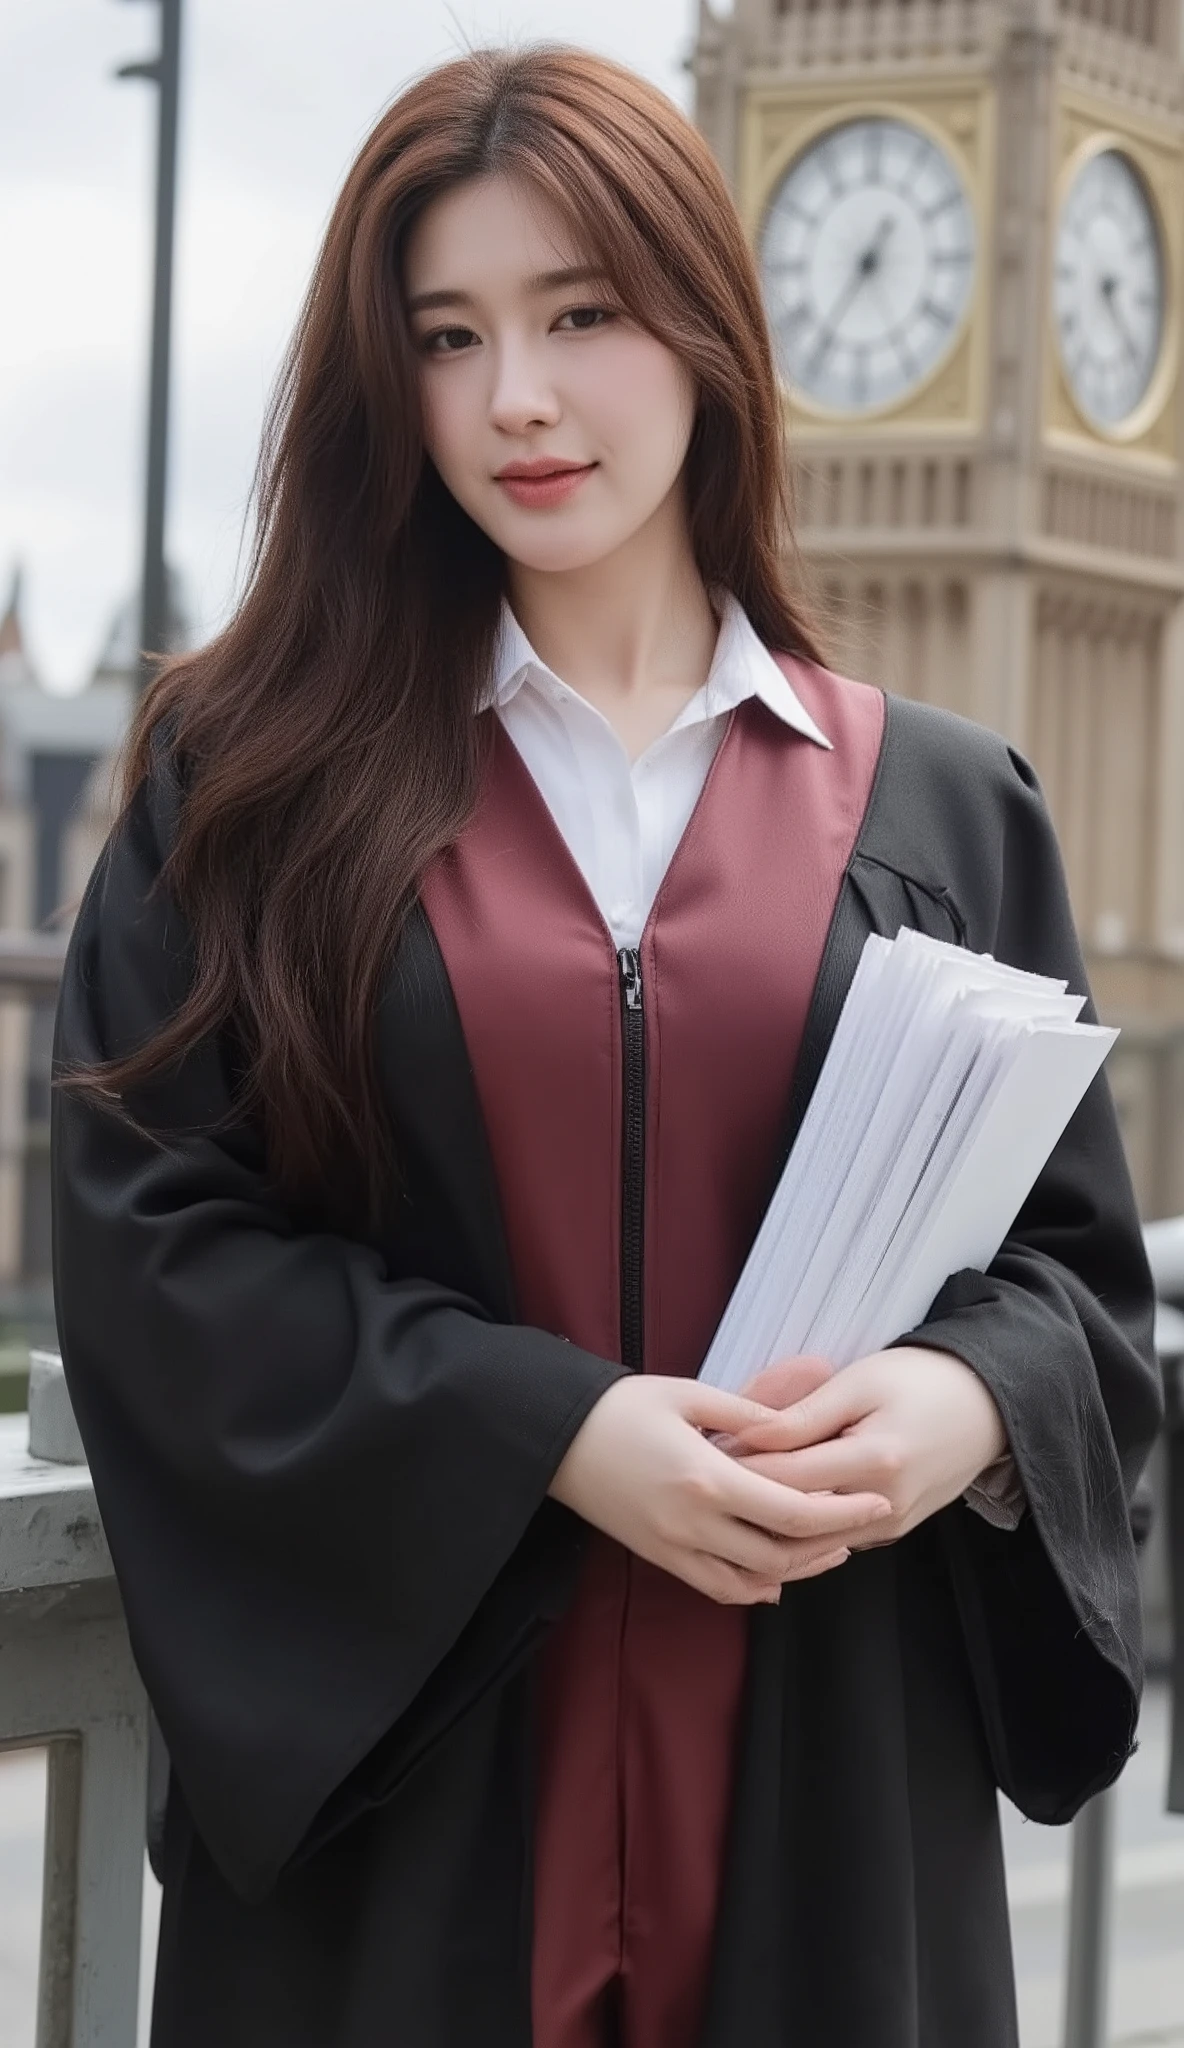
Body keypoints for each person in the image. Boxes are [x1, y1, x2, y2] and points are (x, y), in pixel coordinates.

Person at [50, 44, 1161, 2048]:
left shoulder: (938, 808)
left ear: (707, 328)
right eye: (447, 336)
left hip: (822, 1799)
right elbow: (159, 1259)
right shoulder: (254, 793)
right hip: (413, 1833)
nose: (516, 398)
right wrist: (550, 1432)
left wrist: (963, 1410)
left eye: (580, 316)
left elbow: (1075, 1287)